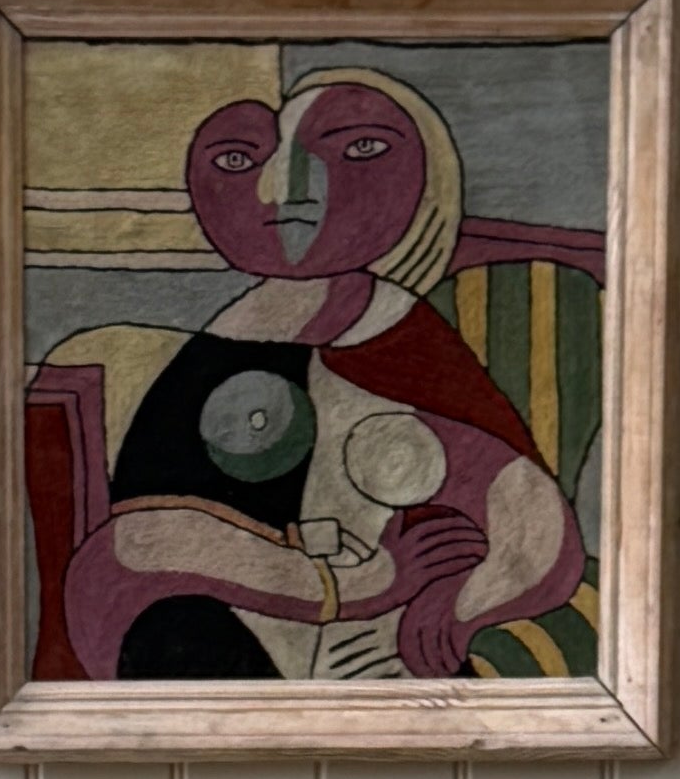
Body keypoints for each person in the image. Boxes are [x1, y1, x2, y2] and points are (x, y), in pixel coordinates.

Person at [51, 70, 584, 685]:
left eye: (357, 150)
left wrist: (461, 607)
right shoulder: (220, 348)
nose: (286, 191)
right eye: (237, 160)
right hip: (214, 644)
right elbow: (136, 549)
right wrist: (354, 584)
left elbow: (533, 522)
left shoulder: (401, 340)